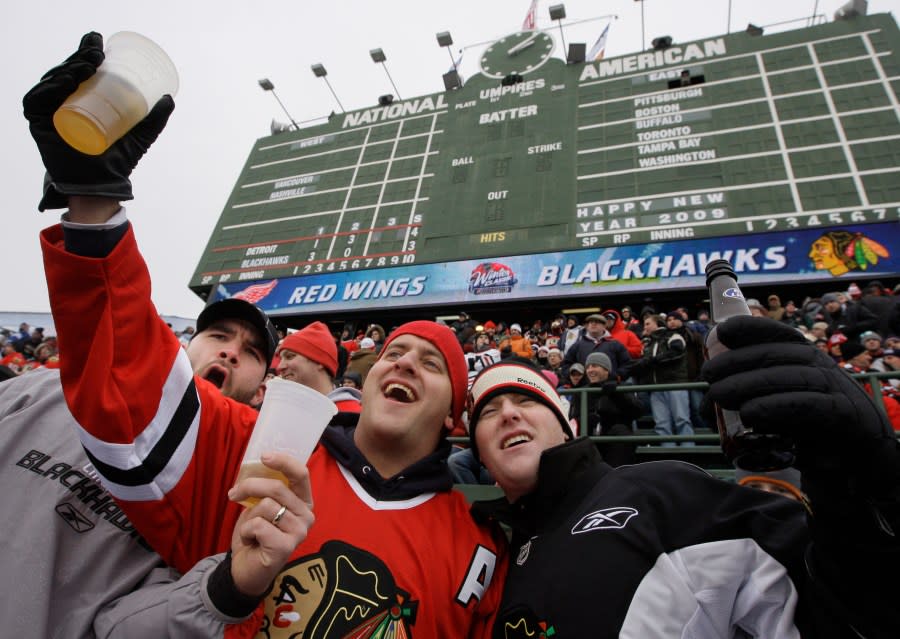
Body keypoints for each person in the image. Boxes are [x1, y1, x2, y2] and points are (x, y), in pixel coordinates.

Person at [28, 32, 507, 637]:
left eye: (431, 364)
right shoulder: (261, 451)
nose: (404, 364)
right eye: (394, 353)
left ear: (452, 420)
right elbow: (130, 392)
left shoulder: (480, 549)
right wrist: (93, 207)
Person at [466, 317, 900, 637]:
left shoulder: (664, 492)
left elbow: (843, 607)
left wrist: (864, 498)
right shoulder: (487, 559)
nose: (507, 413)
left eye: (527, 400)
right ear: (479, 452)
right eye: (487, 411)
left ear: (569, 426)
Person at [0, 297, 314, 636]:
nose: (230, 352)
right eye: (218, 336)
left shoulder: (233, 499)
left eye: (251, 352)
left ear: (259, 393)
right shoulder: (46, 390)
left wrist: (227, 589)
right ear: (184, 347)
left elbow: (124, 628)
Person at [276, 320, 362, 418]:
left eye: (290, 356)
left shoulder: (354, 419)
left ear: (319, 362)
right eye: (280, 358)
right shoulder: (283, 407)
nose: (280, 366)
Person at [576, 351, 641, 466]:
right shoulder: (581, 391)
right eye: (588, 367)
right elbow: (573, 419)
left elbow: (637, 411)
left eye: (595, 366)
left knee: (621, 430)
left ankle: (616, 477)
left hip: (613, 442)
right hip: (590, 442)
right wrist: (586, 420)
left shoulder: (621, 388)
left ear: (606, 369)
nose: (590, 370)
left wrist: (617, 394)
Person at [561, 313, 631, 380]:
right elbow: (566, 365)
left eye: (597, 322)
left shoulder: (615, 344)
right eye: (590, 322)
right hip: (585, 388)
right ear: (587, 327)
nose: (593, 324)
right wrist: (575, 377)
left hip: (610, 388)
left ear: (604, 326)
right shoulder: (577, 345)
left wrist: (616, 377)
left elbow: (627, 365)